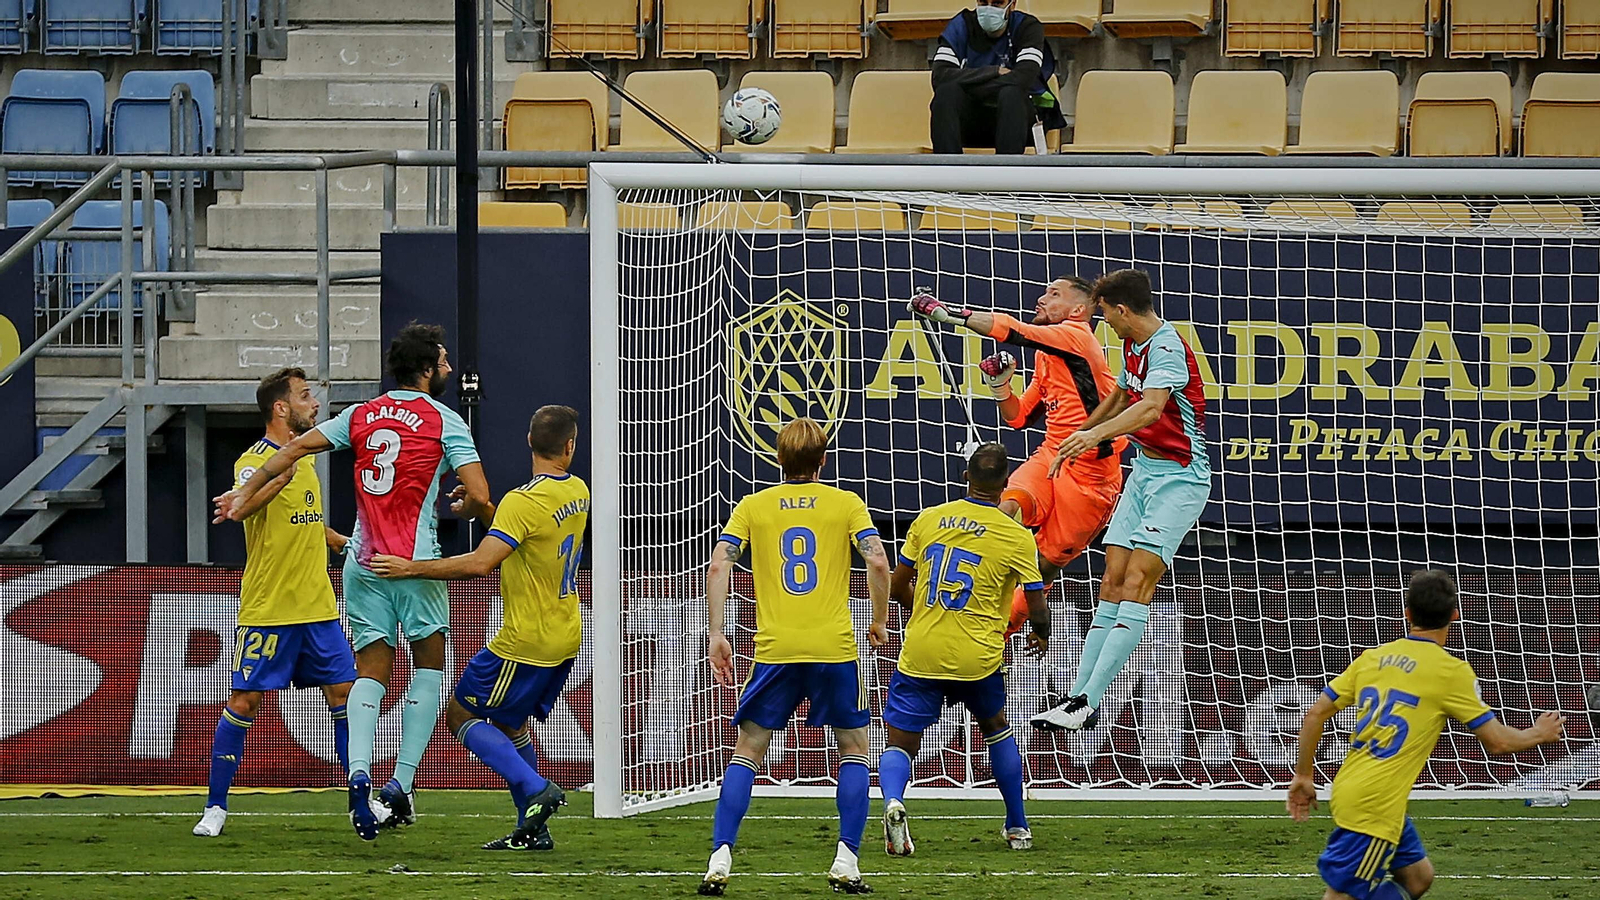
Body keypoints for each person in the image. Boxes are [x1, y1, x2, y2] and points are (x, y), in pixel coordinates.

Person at [215, 322, 494, 841]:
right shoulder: (444, 420)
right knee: (429, 666)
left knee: (368, 674)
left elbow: (293, 452)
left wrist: (243, 490)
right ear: (427, 370)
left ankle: (359, 777)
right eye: (444, 360)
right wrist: (471, 505)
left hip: (362, 563)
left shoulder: (361, 415)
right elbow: (477, 492)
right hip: (414, 563)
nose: (450, 368)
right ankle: (401, 784)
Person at [370, 405, 585, 853]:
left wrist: (411, 568)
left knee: (461, 715)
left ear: (529, 442)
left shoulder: (523, 501)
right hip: (565, 633)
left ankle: (537, 787)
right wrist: (481, 508)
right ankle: (534, 829)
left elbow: (481, 563)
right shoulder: (577, 491)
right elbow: (522, 534)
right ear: (570, 446)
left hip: (525, 639)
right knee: (509, 723)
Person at [698, 418, 892, 897]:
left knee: (748, 750)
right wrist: (879, 620)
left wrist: (718, 632)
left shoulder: (752, 506)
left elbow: (720, 561)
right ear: (823, 460)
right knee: (853, 749)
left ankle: (720, 855)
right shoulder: (846, 503)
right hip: (833, 647)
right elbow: (877, 560)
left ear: (777, 459)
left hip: (775, 649)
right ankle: (846, 860)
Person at [1287, 570, 1566, 900]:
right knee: (1343, 896)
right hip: (1376, 805)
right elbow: (1498, 741)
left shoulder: (1373, 658)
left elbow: (1315, 713)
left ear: (1406, 614)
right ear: (1454, 615)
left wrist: (1304, 774)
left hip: (1361, 790)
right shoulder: (1450, 672)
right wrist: (1538, 732)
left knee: (1418, 877)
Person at [1030, 269, 1212, 733]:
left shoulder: (1168, 347)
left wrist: (1093, 435)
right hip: (1145, 474)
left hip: (1180, 480)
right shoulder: (1134, 345)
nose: (1102, 320)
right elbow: (1119, 394)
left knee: (1136, 581)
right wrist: (1081, 435)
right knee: (1111, 580)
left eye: (1105, 313)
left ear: (1121, 310)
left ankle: (1088, 701)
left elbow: (1150, 407)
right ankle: (1077, 699)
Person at [908, 277, 1125, 645]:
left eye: (1054, 294)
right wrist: (1001, 387)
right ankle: (963, 589)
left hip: (1091, 473)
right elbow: (1020, 417)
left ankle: (1000, 631)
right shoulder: (1047, 353)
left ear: (1077, 310)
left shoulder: (1076, 336)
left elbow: (1012, 330)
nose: (1041, 299)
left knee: (1045, 565)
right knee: (1002, 509)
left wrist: (948, 315)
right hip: (1053, 453)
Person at [195, 368, 355, 837]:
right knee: (244, 702)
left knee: (346, 695)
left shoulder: (305, 460)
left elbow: (304, 523)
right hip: (270, 609)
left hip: (319, 608)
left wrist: (341, 542)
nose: (315, 404)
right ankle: (216, 808)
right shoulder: (254, 461)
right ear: (281, 408)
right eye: (305, 397)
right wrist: (278, 478)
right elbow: (245, 505)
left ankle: (359, 800)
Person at [879, 442, 1048, 857]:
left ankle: (894, 802)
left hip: (923, 649)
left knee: (900, 743)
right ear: (1006, 485)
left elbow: (898, 585)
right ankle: (1017, 826)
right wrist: (1041, 633)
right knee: (996, 728)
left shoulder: (929, 519)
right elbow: (1037, 602)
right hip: (978, 657)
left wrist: (921, 608)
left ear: (965, 478)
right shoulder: (1016, 536)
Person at [931, 0, 1063, 155]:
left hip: (1017, 123)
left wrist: (971, 84)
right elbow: (939, 76)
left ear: (1012, 5)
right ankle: (948, 172)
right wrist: (993, 72)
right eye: (983, 2)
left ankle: (1006, 174)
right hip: (972, 124)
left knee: (1011, 93)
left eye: (997, 3)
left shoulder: (1028, 27)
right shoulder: (962, 24)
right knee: (946, 92)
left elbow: (1023, 78)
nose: (989, 9)